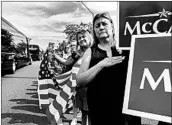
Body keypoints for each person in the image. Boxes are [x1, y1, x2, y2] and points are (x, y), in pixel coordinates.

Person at [76, 12, 141, 125]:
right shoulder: (90, 52)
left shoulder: (126, 47)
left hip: (127, 111)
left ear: (112, 26)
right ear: (95, 32)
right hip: (101, 110)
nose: (101, 27)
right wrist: (100, 65)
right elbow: (80, 80)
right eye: (97, 25)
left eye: (104, 24)